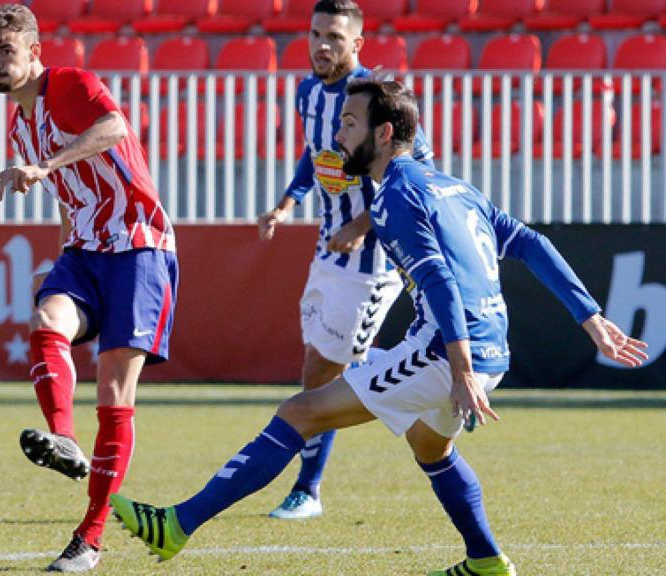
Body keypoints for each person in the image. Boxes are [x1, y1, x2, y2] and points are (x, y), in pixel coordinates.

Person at [110, 79, 649, 575]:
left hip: (448, 351)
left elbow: (438, 280)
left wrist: (458, 369)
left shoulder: (394, 195)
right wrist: (591, 318)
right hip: (489, 350)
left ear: (385, 133)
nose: (339, 132)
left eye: (349, 122)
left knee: (300, 412)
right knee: (430, 447)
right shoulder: (456, 188)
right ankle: (485, 560)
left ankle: (177, 525)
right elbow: (532, 243)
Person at [0, 5, 178, 572]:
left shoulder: (71, 85)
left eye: (6, 52)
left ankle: (89, 538)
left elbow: (115, 127)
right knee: (47, 324)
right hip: (85, 250)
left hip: (140, 247)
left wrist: (44, 165)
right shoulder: (19, 122)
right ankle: (63, 439)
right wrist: (63, 243)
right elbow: (70, 193)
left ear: (34, 52)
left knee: (113, 394)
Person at [257, 0, 433, 520]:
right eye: (315, 34)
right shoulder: (308, 92)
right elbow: (317, 156)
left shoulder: (381, 102)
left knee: (320, 374)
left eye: (334, 36)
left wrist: (364, 223)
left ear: (357, 44)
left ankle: (307, 490)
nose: (321, 45)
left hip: (373, 259)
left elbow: (419, 176)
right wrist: (287, 203)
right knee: (332, 361)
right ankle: (426, 384)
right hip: (327, 247)